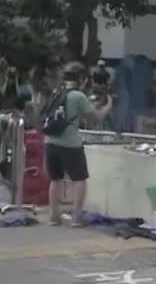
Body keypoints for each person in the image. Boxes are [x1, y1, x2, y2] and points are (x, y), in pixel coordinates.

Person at [43, 61, 111, 227]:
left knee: (55, 179)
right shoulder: (78, 96)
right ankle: (77, 217)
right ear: (81, 79)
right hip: (70, 144)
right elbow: (95, 118)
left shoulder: (56, 92)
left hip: (51, 141)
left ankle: (53, 216)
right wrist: (108, 105)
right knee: (79, 179)